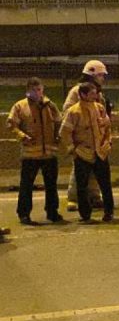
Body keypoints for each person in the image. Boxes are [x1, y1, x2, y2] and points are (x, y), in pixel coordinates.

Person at [6, 77, 63, 225]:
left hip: (49, 153)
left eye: (39, 89)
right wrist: (22, 136)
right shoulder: (20, 106)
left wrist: (58, 136)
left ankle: (52, 212)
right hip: (30, 154)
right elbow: (12, 124)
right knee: (26, 185)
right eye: (34, 90)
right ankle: (24, 214)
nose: (37, 93)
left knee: (51, 185)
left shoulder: (50, 106)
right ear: (28, 91)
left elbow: (59, 122)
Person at [60, 82, 115, 223]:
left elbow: (108, 127)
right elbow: (65, 132)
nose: (95, 95)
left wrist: (108, 142)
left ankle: (109, 212)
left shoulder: (100, 108)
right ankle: (85, 215)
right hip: (83, 153)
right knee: (82, 186)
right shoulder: (74, 112)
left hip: (100, 152)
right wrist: (73, 149)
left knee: (105, 185)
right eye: (91, 93)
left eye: (95, 92)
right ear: (83, 95)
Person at [63, 60, 110, 212]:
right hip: (81, 139)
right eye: (100, 75)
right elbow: (68, 111)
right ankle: (73, 198)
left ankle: (94, 196)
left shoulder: (98, 93)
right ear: (92, 75)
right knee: (79, 171)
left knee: (95, 170)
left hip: (96, 138)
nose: (102, 78)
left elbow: (102, 114)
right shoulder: (77, 91)